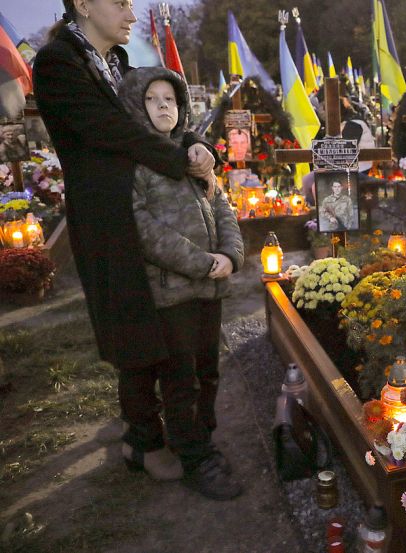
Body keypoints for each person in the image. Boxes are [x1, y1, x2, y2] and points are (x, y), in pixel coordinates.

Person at [33, 0, 218, 481]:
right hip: (108, 216)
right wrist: (181, 162)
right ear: (84, 5)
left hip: (150, 207)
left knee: (165, 320)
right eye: (120, 2)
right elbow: (113, 130)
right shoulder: (59, 64)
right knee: (132, 326)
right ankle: (143, 439)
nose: (132, 15)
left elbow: (160, 109)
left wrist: (199, 144)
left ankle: (165, 428)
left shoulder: (117, 64)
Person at [121, 67, 244, 499]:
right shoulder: (137, 162)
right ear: (137, 106)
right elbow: (144, 228)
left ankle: (202, 440)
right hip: (173, 293)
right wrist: (201, 263)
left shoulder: (193, 155)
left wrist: (230, 255)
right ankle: (194, 457)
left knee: (208, 371)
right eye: (152, 99)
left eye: (170, 99)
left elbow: (221, 203)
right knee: (182, 379)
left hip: (210, 288)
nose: (163, 107)